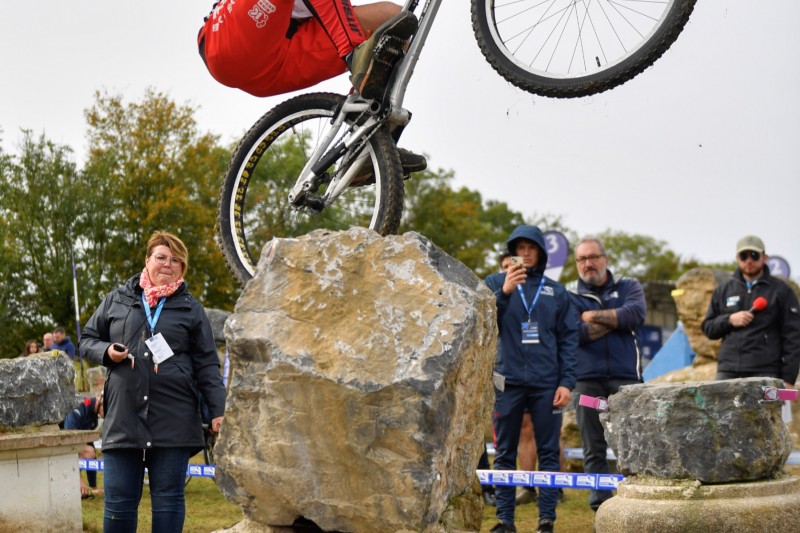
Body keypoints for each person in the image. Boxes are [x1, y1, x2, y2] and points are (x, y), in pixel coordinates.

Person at [80, 230, 227, 533]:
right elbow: (86, 340)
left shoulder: (191, 308)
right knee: (119, 505)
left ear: (182, 269)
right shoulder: (117, 300)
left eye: (176, 261)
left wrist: (218, 411)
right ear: (147, 260)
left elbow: (207, 365)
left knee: (169, 501)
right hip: (123, 418)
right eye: (161, 257)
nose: (168, 264)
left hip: (174, 418)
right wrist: (106, 351)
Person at [197, 1, 426, 172]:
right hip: (229, 38)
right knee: (360, 44)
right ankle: (352, 50)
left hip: (276, 59)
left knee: (394, 21)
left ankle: (362, 148)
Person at [484, 225, 578, 533]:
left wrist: (566, 382)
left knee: (549, 451)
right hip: (507, 380)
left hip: (546, 383)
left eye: (530, 248)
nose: (524, 254)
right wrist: (504, 293)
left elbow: (568, 340)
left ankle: (546, 519)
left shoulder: (557, 292)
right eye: (519, 248)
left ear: (540, 253)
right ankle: (505, 520)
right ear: (511, 251)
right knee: (505, 452)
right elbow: (482, 323)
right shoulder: (494, 283)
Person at [568, 237, 646, 512]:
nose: (588, 263)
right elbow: (575, 333)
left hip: (626, 379)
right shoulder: (570, 296)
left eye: (593, 257)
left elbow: (634, 315)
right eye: (581, 259)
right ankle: (600, 504)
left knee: (632, 443)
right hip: (586, 380)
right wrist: (615, 320)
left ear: (605, 259)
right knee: (593, 445)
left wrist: (592, 316)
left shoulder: (629, 286)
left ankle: (635, 500)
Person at [701, 235, 800, 388]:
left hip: (765, 371)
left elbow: (793, 336)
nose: (749, 260)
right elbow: (708, 328)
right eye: (743, 255)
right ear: (737, 258)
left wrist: (788, 378)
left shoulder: (781, 291)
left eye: (754, 255)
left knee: (767, 413)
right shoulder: (723, 290)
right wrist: (729, 320)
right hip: (727, 371)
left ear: (764, 257)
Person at [62, 393, 104, 499]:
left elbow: (91, 449)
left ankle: (86, 486)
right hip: (61, 442)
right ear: (101, 402)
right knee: (85, 451)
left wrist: (93, 487)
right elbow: (69, 444)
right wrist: (78, 479)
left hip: (70, 443)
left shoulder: (93, 415)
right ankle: (72, 483)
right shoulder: (79, 408)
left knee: (90, 451)